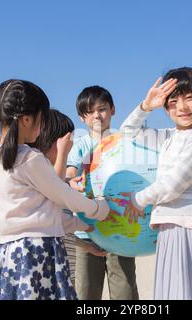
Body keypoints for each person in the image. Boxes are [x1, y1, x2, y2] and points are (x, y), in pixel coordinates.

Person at [0, 79, 109, 300]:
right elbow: (64, 196)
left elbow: (42, 214)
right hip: (38, 252)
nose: (42, 126)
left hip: (8, 254)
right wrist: (100, 209)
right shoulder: (29, 158)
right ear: (26, 119)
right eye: (41, 118)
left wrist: (84, 224)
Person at [122, 67, 192, 300]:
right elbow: (127, 133)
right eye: (173, 100)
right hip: (171, 226)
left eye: (189, 97)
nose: (181, 107)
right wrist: (145, 106)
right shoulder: (169, 136)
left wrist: (138, 200)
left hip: (189, 227)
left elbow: (174, 184)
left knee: (189, 293)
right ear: (165, 107)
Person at [66, 85, 139, 300]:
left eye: (102, 109)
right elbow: (69, 175)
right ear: (81, 118)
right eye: (89, 111)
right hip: (86, 232)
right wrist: (72, 181)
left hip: (120, 229)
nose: (97, 115)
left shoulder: (124, 143)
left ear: (113, 110)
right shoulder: (80, 146)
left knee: (125, 291)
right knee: (86, 293)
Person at [29, 108, 105, 288]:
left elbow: (63, 228)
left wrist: (87, 246)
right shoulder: (41, 173)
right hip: (49, 266)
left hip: (65, 268)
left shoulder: (53, 180)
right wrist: (63, 153)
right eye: (67, 142)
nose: (70, 146)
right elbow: (56, 193)